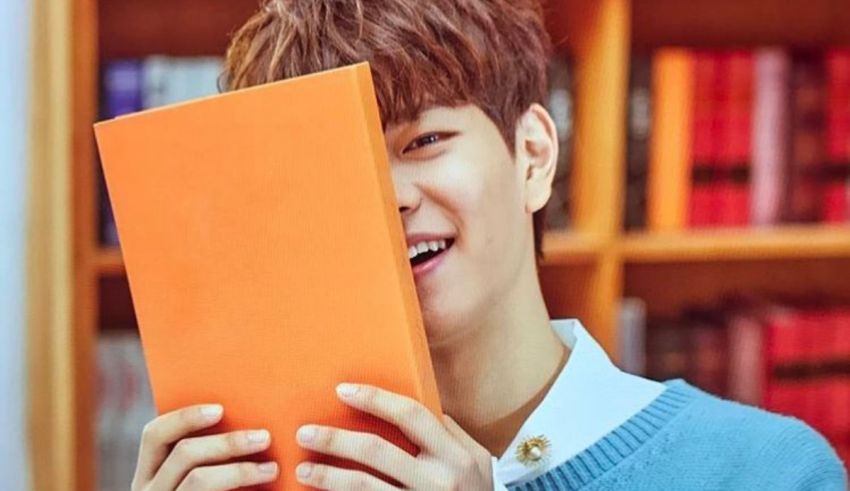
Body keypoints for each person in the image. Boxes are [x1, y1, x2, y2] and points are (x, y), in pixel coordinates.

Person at [130, 1, 849, 490]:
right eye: (332, 170)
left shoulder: (765, 471)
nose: (390, 196)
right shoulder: (267, 474)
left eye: (426, 139)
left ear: (532, 155)